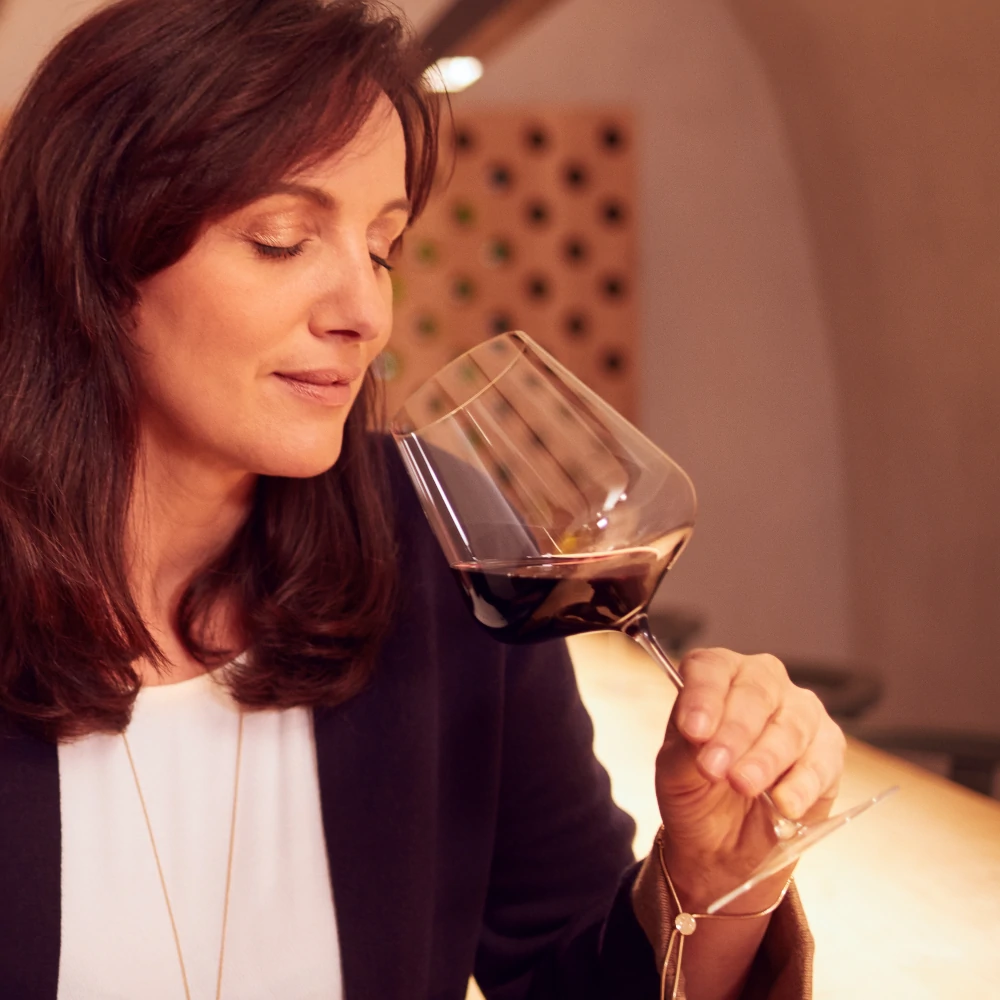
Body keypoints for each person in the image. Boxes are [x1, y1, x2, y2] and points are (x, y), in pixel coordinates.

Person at [0, 1, 845, 997]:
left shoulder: (432, 545)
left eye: (381, 247)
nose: (364, 312)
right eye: (280, 238)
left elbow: (572, 976)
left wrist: (712, 882)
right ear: (90, 251)